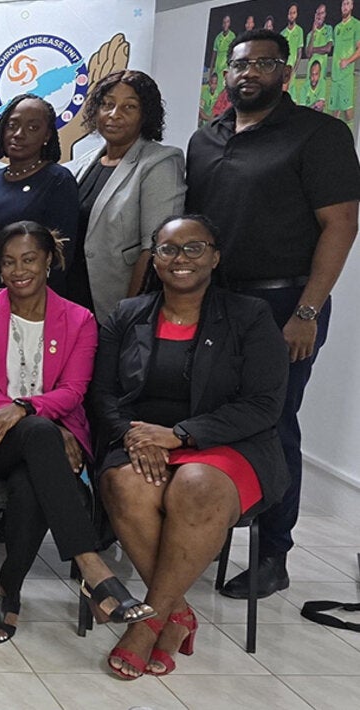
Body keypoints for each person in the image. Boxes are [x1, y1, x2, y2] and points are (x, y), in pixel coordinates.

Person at [186, 28, 360, 600]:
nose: (249, 74)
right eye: (240, 65)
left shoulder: (319, 134)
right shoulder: (205, 139)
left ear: (285, 72)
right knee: (207, 415)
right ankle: (205, 533)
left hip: (284, 303)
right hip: (215, 301)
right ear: (227, 74)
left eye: (263, 64)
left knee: (272, 423)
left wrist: (308, 310)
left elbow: (341, 225)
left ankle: (272, 553)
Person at [91, 215, 289, 679]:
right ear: (155, 259)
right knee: (124, 486)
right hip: (142, 439)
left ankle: (147, 624)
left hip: (228, 443)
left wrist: (181, 435)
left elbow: (264, 404)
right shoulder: (127, 314)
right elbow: (102, 394)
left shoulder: (250, 316)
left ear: (215, 257)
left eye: (194, 247)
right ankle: (176, 613)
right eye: (168, 249)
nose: (181, 258)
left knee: (195, 485)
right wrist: (134, 435)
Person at [0, 221, 153, 644]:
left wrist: (27, 411)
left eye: (28, 259)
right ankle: (92, 567)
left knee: (31, 483)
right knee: (43, 437)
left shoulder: (79, 319)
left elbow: (74, 390)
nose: (18, 270)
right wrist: (33, 420)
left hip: (44, 442)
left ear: (49, 261)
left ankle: (7, 592)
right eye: (8, 262)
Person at [67, 70, 186, 317]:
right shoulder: (85, 162)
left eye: (129, 107)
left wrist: (129, 312)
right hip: (74, 297)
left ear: (145, 115)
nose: (114, 114)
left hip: (117, 304)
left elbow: (154, 247)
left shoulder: (159, 162)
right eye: (107, 104)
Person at [0, 94, 78, 303]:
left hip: (28, 303)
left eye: (33, 128)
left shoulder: (58, 180)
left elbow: (61, 260)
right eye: (12, 125)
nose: (19, 134)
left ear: (47, 135)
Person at [332, 0, 359, 123]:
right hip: (335, 76)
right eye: (343, 4)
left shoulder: (356, 24)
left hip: (346, 76)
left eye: (348, 3)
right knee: (334, 113)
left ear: (352, 6)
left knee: (348, 113)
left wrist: (348, 61)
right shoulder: (337, 27)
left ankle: (354, 133)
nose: (345, 7)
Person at [284, 5, 308, 104]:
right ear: (287, 15)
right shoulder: (283, 33)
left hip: (292, 72)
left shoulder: (299, 31)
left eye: (294, 13)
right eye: (290, 13)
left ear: (296, 14)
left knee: (293, 100)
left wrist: (294, 71)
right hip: (284, 73)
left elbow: (299, 53)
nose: (292, 15)